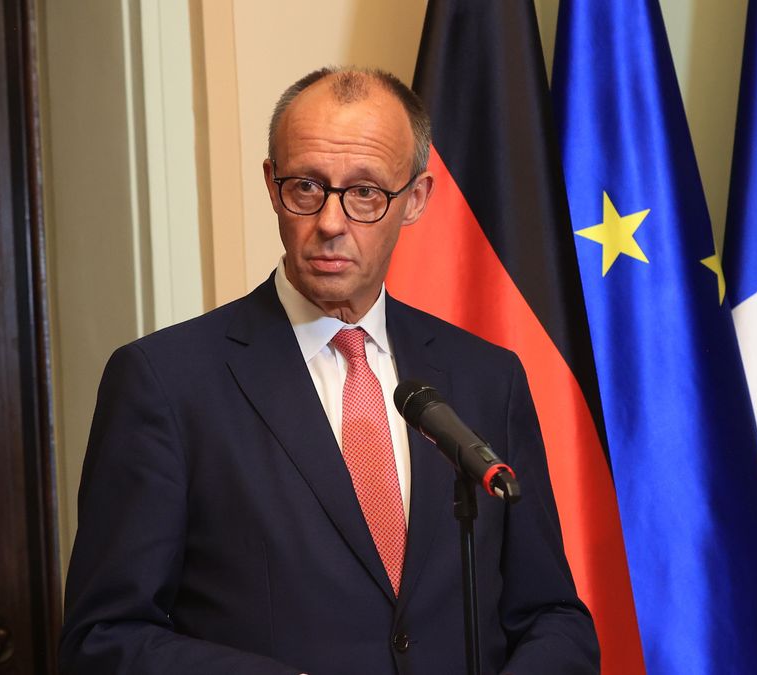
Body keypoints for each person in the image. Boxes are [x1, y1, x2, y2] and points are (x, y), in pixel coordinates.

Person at [59, 66, 599, 675]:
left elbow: (552, 616)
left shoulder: (487, 378)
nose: (331, 223)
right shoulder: (164, 382)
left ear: (415, 199)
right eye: (306, 187)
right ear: (272, 186)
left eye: (365, 192)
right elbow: (103, 639)